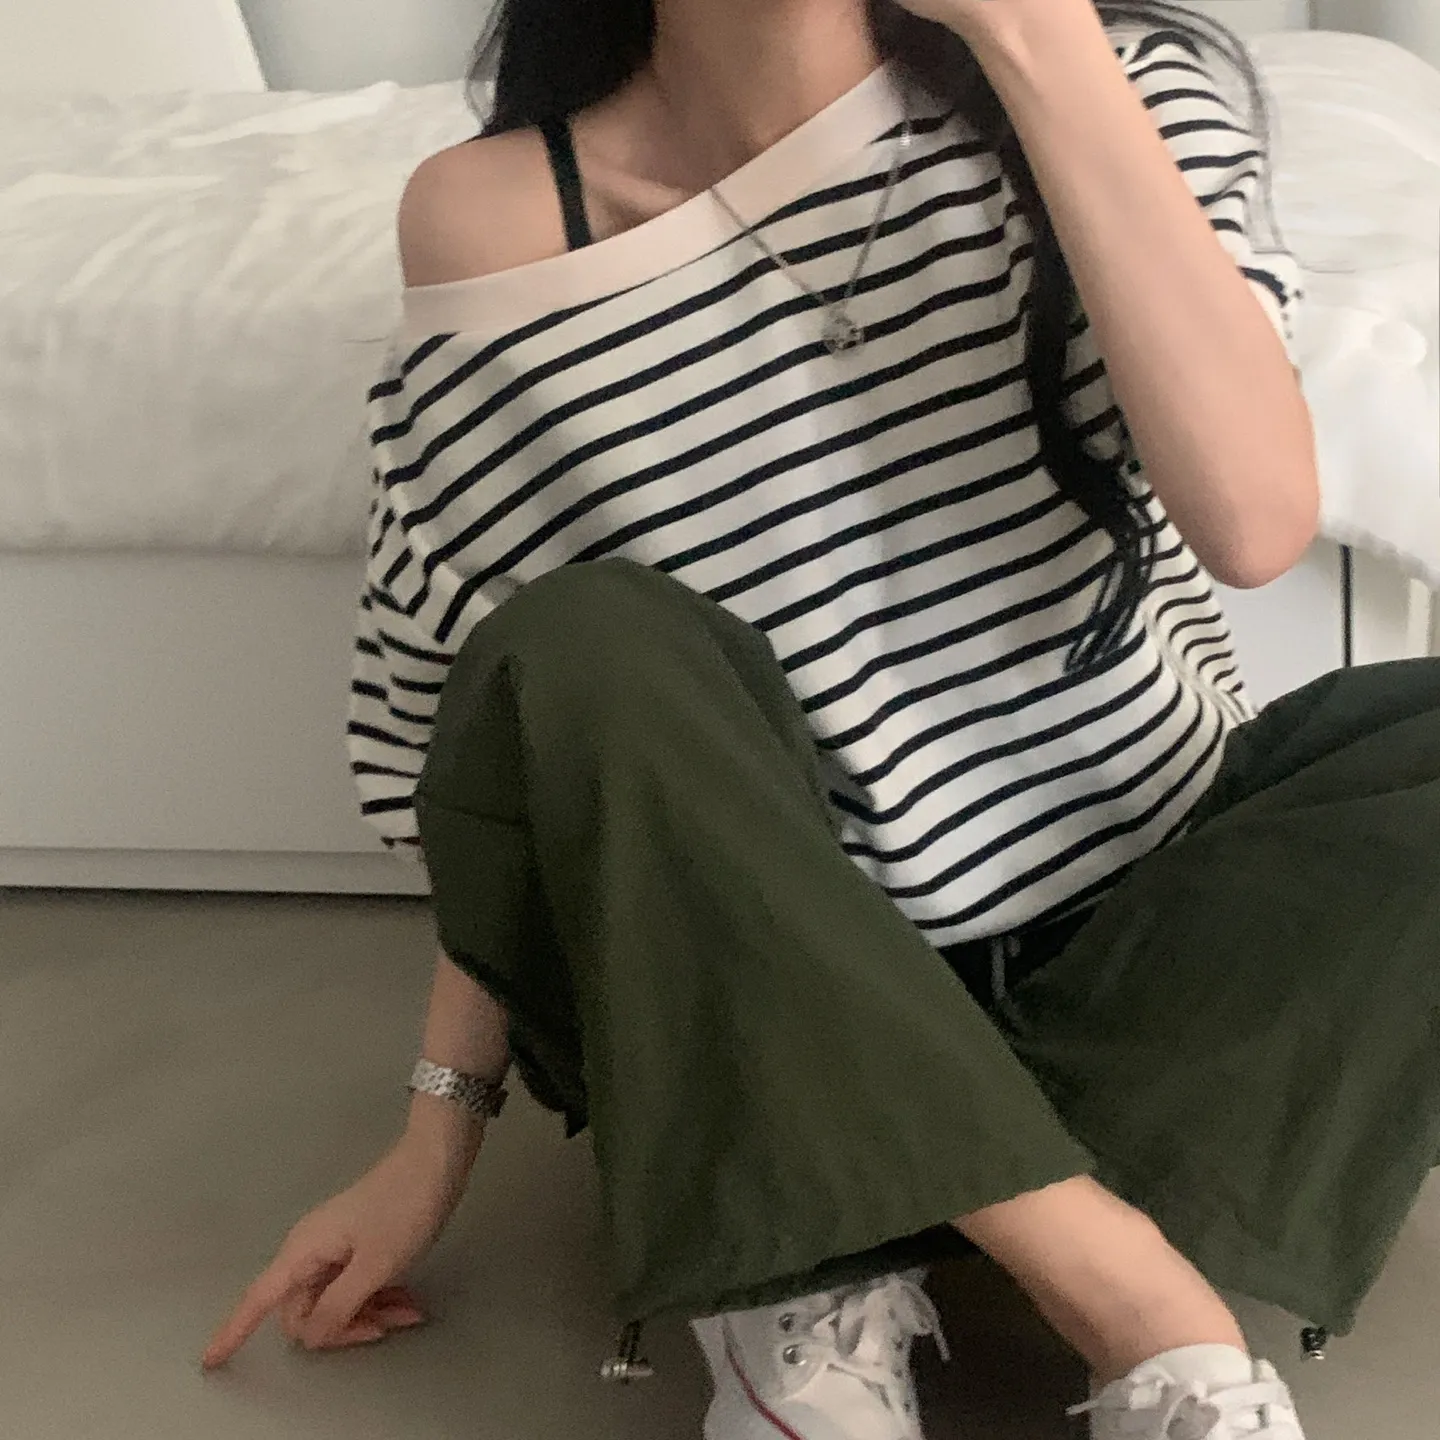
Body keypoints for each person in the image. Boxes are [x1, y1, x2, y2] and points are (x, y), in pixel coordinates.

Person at [200, 1, 1440, 1436]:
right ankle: (1133, 1299)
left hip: (1131, 942)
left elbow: (1255, 519)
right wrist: (432, 1137)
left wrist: (1040, 46)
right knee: (587, 635)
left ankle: (815, 1221)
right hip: (762, 972)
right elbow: (555, 734)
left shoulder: (1118, 82)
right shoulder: (499, 215)